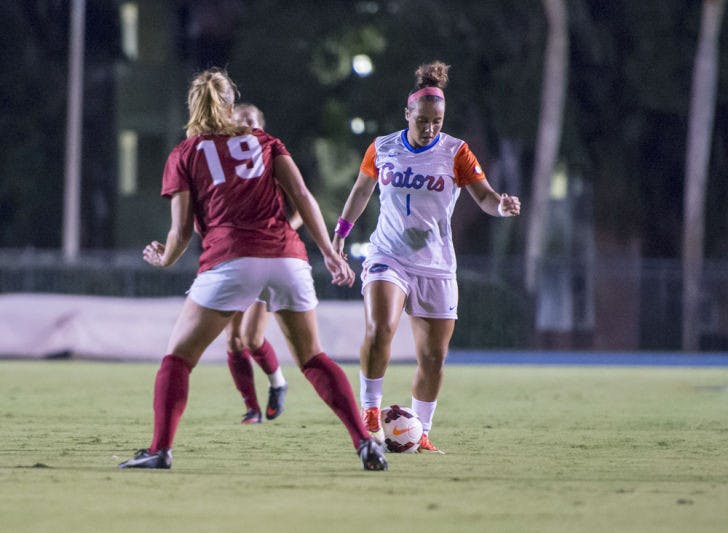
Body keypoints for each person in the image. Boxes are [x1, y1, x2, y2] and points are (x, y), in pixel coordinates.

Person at [119, 68, 387, 471]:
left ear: (194, 105)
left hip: (231, 260)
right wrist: (330, 252)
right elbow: (302, 195)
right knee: (313, 358)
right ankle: (364, 441)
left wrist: (163, 258)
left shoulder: (185, 153)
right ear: (230, 104)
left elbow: (179, 235)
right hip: (287, 259)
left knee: (177, 359)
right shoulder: (264, 141)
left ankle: (160, 450)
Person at [332, 61, 521, 454]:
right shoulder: (382, 147)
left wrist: (501, 206)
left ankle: (421, 431)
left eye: (437, 120)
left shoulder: (456, 152)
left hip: (435, 264)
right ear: (408, 115)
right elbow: (361, 193)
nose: (430, 127)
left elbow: (484, 197)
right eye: (423, 120)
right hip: (388, 255)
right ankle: (370, 410)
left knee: (434, 357)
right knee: (381, 326)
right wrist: (341, 233)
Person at [224, 103, 301, 425]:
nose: (245, 127)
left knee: (252, 339)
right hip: (235, 257)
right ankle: (252, 409)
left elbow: (300, 208)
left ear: (262, 126)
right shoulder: (224, 163)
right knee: (232, 340)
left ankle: (278, 383)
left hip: (267, 255)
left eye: (251, 121)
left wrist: (281, 232)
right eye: (239, 122)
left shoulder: (272, 158)